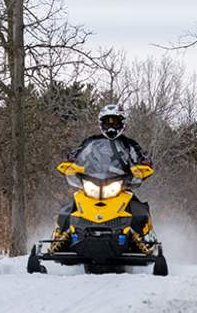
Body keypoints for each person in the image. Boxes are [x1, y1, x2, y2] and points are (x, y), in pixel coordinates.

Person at [51, 104, 154, 246]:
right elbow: (78, 154)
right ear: (101, 124)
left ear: (122, 124)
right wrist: (71, 162)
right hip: (92, 182)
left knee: (139, 209)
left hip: (121, 185)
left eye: (115, 123)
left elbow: (141, 157)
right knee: (69, 207)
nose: (111, 127)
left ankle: (147, 239)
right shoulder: (91, 142)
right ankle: (58, 240)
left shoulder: (129, 144)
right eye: (107, 123)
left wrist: (143, 165)